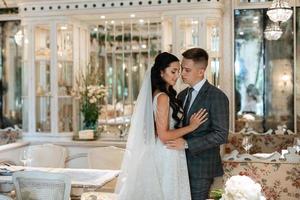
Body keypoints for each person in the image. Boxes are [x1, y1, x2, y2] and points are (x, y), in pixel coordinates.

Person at [115, 52, 207, 200]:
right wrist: (192, 126)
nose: (177, 75)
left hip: (166, 150)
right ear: (161, 72)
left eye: (179, 71)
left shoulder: (161, 94)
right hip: (166, 153)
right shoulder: (163, 97)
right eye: (173, 71)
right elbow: (163, 135)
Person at [166, 48, 229, 200]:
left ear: (201, 71)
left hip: (201, 169)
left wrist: (187, 144)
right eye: (182, 69)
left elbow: (221, 135)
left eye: (187, 70)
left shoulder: (217, 96)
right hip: (178, 164)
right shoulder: (181, 95)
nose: (182, 74)